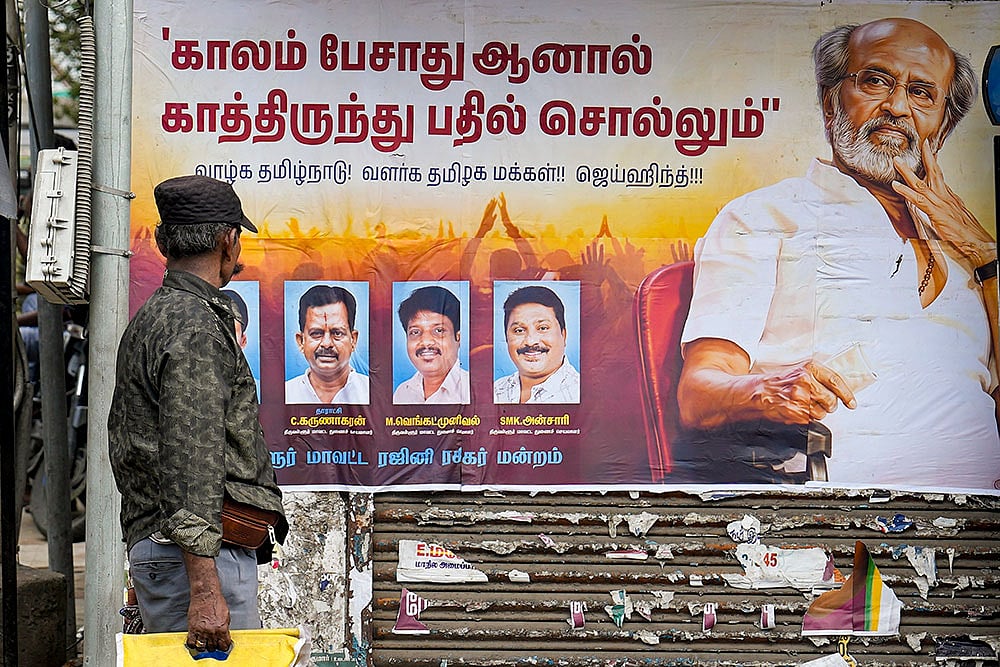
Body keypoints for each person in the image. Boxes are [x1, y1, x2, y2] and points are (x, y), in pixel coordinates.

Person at [677, 18, 1000, 488]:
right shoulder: (765, 214)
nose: (896, 107)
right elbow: (697, 394)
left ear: (943, 125)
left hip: (978, 537)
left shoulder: (967, 244)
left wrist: (985, 255)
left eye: (922, 93)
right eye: (875, 81)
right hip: (836, 522)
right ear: (832, 102)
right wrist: (763, 390)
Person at [108, 175, 287, 653]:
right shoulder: (194, 325)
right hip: (196, 559)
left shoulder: (161, 314)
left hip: (178, 553)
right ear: (228, 240)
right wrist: (206, 589)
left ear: (166, 242)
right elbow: (192, 460)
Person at [494, 285, 580, 404]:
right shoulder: (496, 390)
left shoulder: (582, 395)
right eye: (519, 330)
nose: (530, 341)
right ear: (506, 338)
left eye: (543, 328)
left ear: (563, 335)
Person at [285, 284, 370, 404]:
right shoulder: (285, 395)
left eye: (337, 333)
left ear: (353, 340)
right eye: (316, 333)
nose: (326, 344)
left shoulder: (372, 393)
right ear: (301, 341)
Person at [393, 285, 470, 404]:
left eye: (439, 330)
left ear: (458, 337)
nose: (426, 341)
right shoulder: (402, 393)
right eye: (415, 332)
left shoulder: (472, 391)